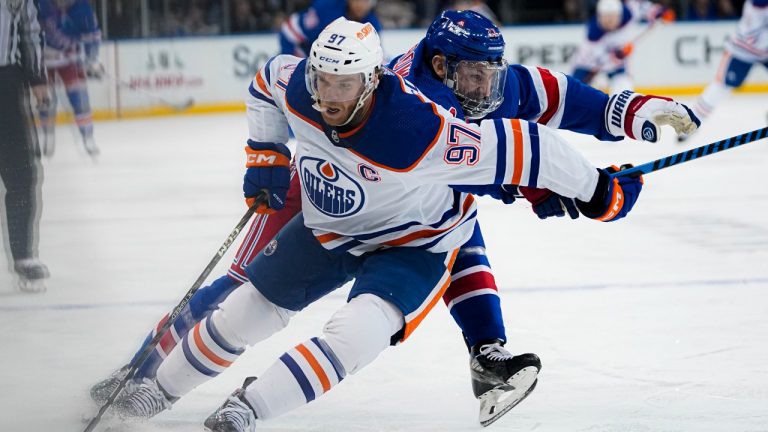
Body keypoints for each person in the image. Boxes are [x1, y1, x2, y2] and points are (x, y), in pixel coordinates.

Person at [89, 10, 701, 426]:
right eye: (473, 74)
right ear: (437, 66)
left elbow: (549, 100)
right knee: (239, 294)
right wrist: (582, 193)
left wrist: (635, 112)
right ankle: (144, 370)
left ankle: (486, 356)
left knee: (442, 241)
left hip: (410, 219)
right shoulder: (409, 111)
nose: (488, 86)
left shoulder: (470, 79)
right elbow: (506, 158)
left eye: (489, 71)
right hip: (325, 196)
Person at [0, 0, 50, 293]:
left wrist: (36, 77)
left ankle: (23, 256)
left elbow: (30, 30)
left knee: (21, 173)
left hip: (6, 82)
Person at [681, 0, 768, 142]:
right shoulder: (758, 4)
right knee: (721, 86)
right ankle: (691, 123)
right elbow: (753, 36)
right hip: (742, 50)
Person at [36, 0, 102, 157]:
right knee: (45, 102)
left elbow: (92, 36)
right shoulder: (40, 4)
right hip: (45, 61)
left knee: (80, 100)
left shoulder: (82, 9)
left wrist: (92, 60)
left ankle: (88, 138)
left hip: (71, 60)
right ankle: (48, 137)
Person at [571, 0, 675, 94]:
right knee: (574, 91)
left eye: (613, 16)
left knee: (624, 89)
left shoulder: (629, 13)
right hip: (587, 65)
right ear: (599, 16)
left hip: (616, 66)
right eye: (606, 16)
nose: (610, 20)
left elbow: (641, 6)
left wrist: (660, 12)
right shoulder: (593, 34)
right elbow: (599, 60)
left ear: (619, 15)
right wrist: (618, 55)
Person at [280, 0, 381, 57]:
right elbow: (288, 30)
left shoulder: (371, 23)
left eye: (366, 1)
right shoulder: (325, 9)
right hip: (304, 53)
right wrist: (293, 60)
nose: (361, 5)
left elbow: (374, 55)